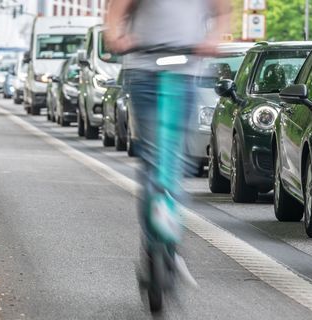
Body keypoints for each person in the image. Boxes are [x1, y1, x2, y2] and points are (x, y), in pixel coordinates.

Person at [105, 0, 230, 311]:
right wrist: (116, 35)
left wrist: (213, 39)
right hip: (144, 70)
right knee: (152, 159)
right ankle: (153, 244)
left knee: (173, 162)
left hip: (186, 72)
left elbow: (222, 11)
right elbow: (117, 9)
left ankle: (169, 242)